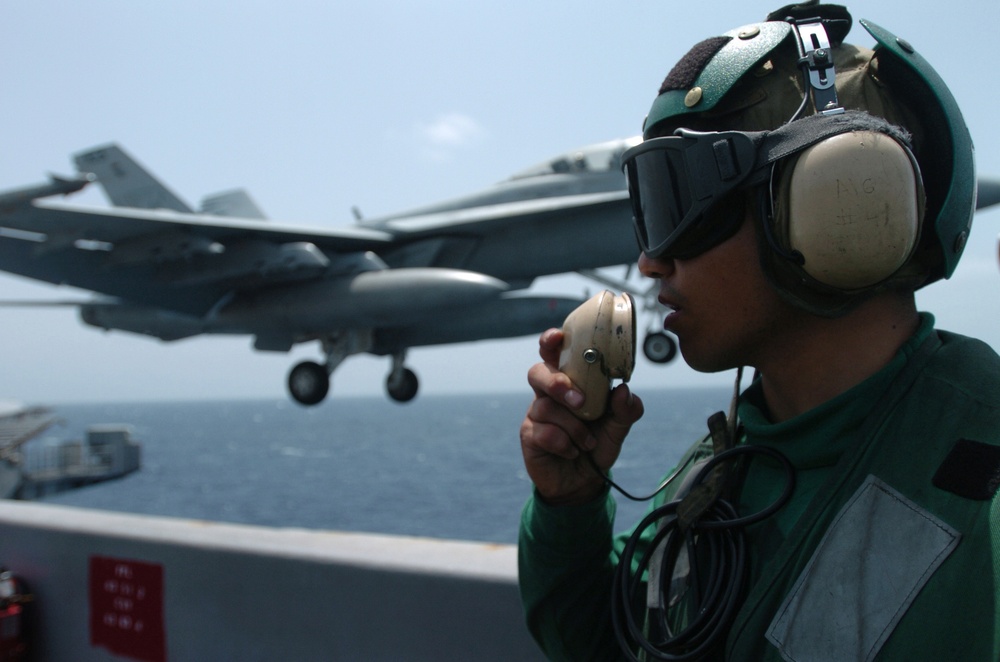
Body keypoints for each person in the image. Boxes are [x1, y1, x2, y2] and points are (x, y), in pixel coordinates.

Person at [517, 3, 1000, 660]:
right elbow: (612, 647)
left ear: (831, 200)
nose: (650, 262)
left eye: (679, 201)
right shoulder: (721, 472)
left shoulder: (984, 479)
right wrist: (568, 507)